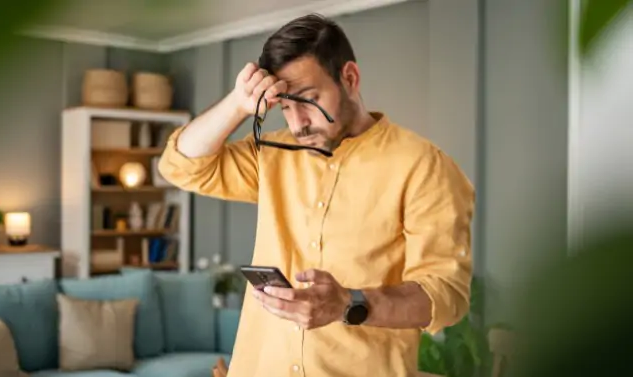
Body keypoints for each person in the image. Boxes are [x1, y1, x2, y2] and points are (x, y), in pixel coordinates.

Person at [157, 13, 475, 377]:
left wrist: (351, 303)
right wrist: (238, 104)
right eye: (286, 107)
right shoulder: (272, 153)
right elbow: (178, 166)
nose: (297, 124)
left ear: (350, 78)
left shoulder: (424, 167)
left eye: (308, 100)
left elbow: (445, 294)